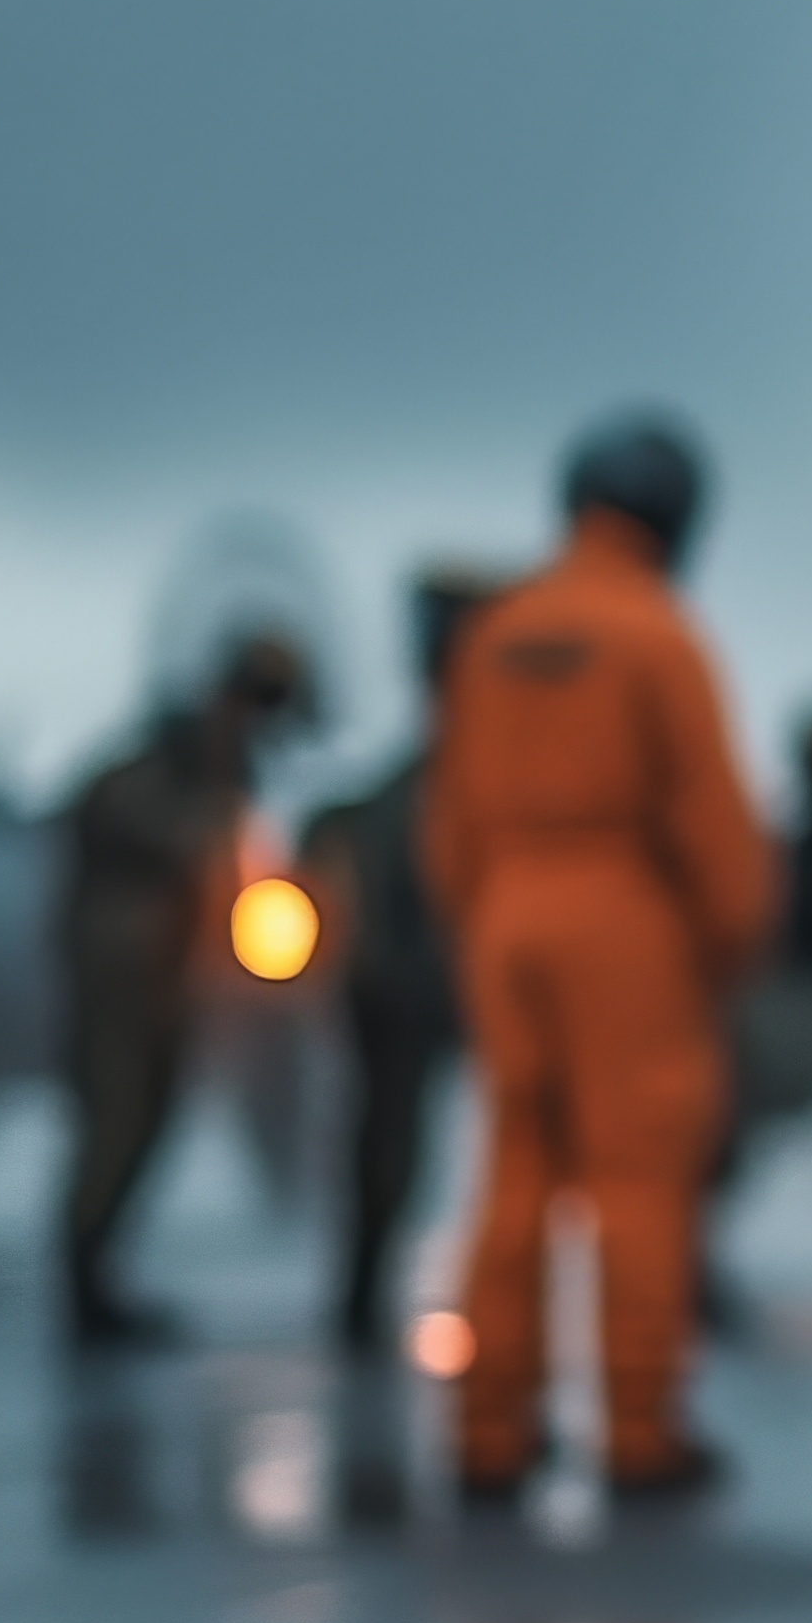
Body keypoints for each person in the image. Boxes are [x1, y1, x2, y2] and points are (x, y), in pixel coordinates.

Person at [428, 411, 775, 1502]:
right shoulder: (656, 636)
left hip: (506, 915)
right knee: (636, 1183)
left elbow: (448, 819)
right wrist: (730, 937)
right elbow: (708, 815)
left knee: (515, 1176)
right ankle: (638, 1427)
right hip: (623, 922)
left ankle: (489, 1427)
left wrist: (486, 913)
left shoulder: (494, 634)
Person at [53, 624, 313, 1347]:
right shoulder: (145, 783)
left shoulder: (207, 777)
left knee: (145, 1124)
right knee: (117, 1125)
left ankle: (99, 1278)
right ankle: (85, 1287)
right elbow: (163, 843)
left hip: (164, 978)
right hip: (125, 981)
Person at [300, 565, 502, 1355]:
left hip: (425, 979)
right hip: (407, 983)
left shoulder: (443, 783)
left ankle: (369, 1295)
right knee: (391, 1148)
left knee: (411, 1147)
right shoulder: (423, 788)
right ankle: (363, 1295)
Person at [701, 695, 812, 1336]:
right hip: (765, 1020)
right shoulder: (793, 854)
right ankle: (683, 1277)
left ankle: (690, 1272)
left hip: (773, 1019)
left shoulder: (801, 850)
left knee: (720, 1154)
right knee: (712, 1151)